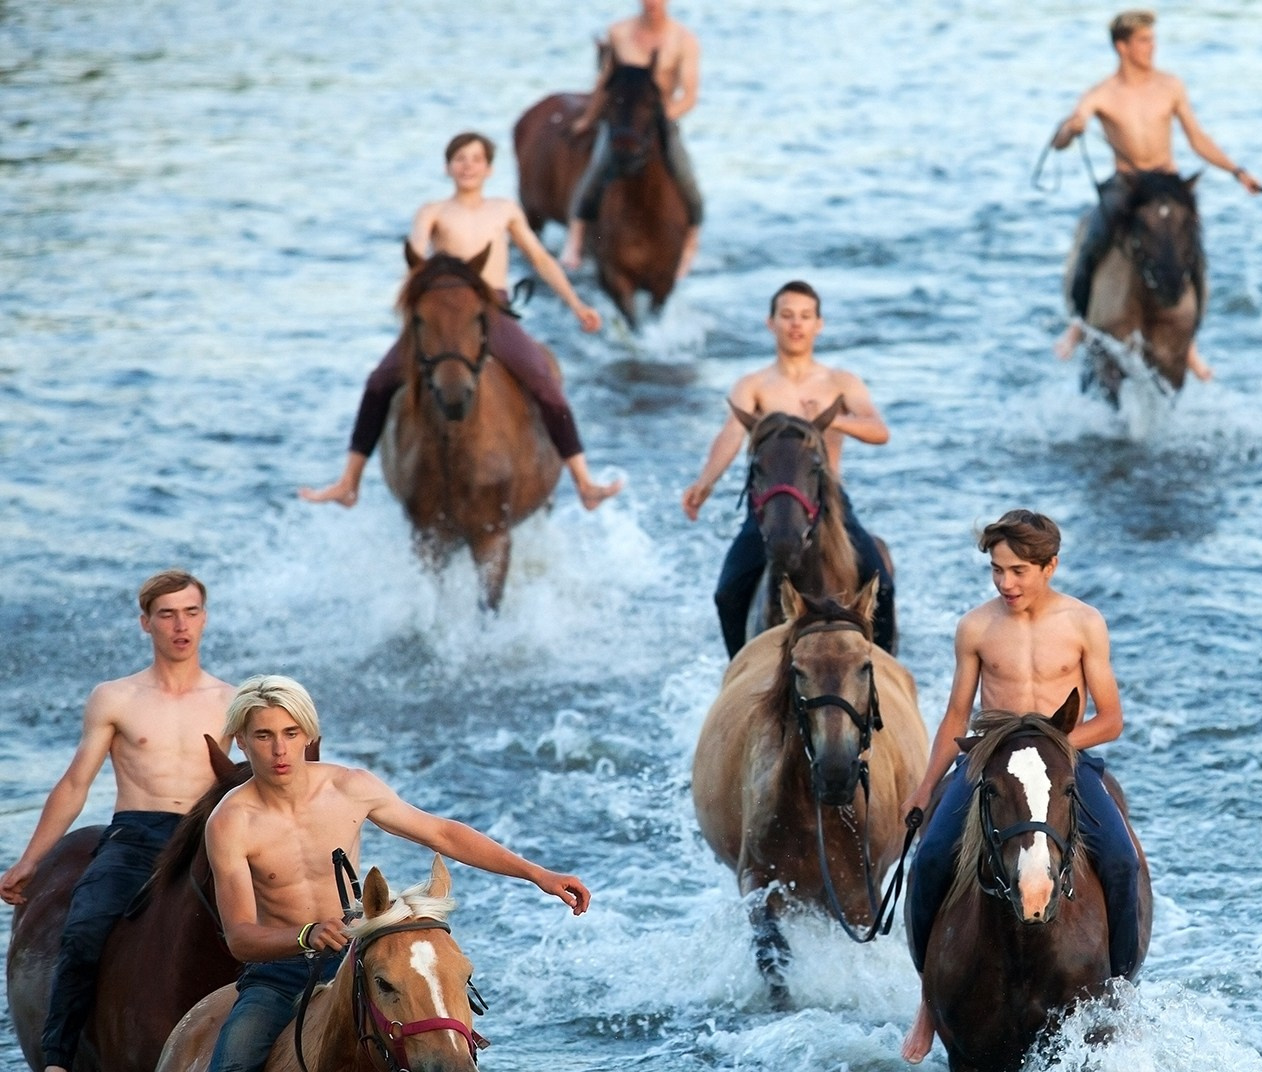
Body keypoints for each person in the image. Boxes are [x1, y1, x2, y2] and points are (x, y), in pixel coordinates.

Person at [140, 676, 591, 1072]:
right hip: (280, 970)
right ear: (243, 740)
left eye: (291, 733)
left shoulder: (347, 786)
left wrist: (537, 874)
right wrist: (300, 932)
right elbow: (238, 931)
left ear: (308, 735)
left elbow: (440, 830)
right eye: (263, 736)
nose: (279, 749)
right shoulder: (231, 819)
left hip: (355, 960)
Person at [896, 511, 1143, 1063]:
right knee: (932, 858)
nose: (1006, 583)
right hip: (990, 762)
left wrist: (1053, 753)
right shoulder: (976, 628)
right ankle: (928, 1002)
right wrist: (923, 788)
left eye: (1019, 571)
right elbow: (957, 715)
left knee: (1122, 862)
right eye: (997, 571)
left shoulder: (1084, 623)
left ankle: (1120, 998)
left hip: (1062, 762)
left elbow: (1111, 720)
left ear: (1050, 566)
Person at [4, 571, 235, 1072]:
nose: (181, 626)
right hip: (137, 835)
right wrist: (32, 860)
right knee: (83, 931)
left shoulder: (232, 700)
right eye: (167, 614)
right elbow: (76, 783)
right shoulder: (116, 697)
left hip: (208, 836)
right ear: (146, 623)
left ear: (205, 617)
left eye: (191, 612)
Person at [300, 131, 621, 511]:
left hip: (490, 311)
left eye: (476, 159)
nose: (468, 166)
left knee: (542, 378)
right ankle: (349, 481)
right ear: (448, 167)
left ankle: (583, 480)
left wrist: (576, 303)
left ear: (488, 168)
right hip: (441, 311)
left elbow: (540, 258)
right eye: (460, 159)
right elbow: (416, 255)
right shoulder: (433, 211)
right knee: (379, 381)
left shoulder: (504, 209)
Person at [681, 281, 897, 656]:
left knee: (882, 581)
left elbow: (879, 431)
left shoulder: (839, 382)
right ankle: (739, 674)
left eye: (805, 316)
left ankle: (882, 668)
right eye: (787, 316)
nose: (796, 324)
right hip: (768, 503)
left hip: (827, 499)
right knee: (728, 591)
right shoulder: (754, 385)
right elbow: (732, 434)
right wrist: (705, 483)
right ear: (771, 323)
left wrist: (834, 422)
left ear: (819, 324)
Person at [1049, 10, 1261, 381]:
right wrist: (1073, 127)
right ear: (1123, 47)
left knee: (1190, 247)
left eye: (1152, 40)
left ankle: (1189, 339)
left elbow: (1197, 138)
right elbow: (1062, 138)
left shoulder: (1170, 86)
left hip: (1167, 181)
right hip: (1127, 185)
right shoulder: (1103, 94)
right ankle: (1080, 323)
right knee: (1092, 240)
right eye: (1144, 41)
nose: (1152, 48)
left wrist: (1236, 171)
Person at [560, 0, 704, 281]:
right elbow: (604, 83)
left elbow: (688, 96)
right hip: (621, 122)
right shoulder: (619, 33)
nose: (652, 3)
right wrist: (589, 119)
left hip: (658, 119)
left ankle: (691, 240)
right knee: (597, 168)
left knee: (684, 174)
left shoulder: (684, 40)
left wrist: (660, 120)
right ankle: (575, 238)